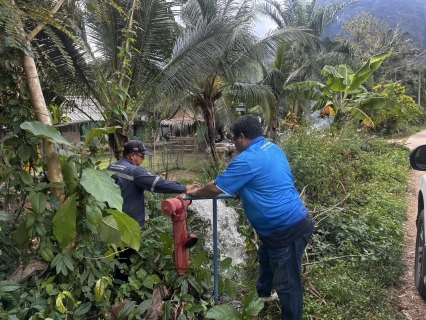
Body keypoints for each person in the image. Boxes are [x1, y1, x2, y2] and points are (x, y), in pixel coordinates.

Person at [186, 115, 313, 320]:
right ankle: (259, 304)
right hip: (282, 227)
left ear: (242, 137)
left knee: (288, 286)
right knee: (265, 263)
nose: (234, 145)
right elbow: (268, 180)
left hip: (286, 230)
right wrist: (243, 190)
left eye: (234, 140)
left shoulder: (246, 159)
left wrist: (194, 192)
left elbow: (215, 188)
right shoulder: (273, 149)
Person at [108, 140, 199, 281]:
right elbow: (157, 184)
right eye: (142, 157)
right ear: (132, 155)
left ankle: (117, 284)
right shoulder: (134, 171)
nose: (142, 160)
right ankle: (121, 288)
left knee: (116, 254)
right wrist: (184, 188)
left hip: (112, 219)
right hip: (128, 221)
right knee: (125, 257)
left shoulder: (113, 167)